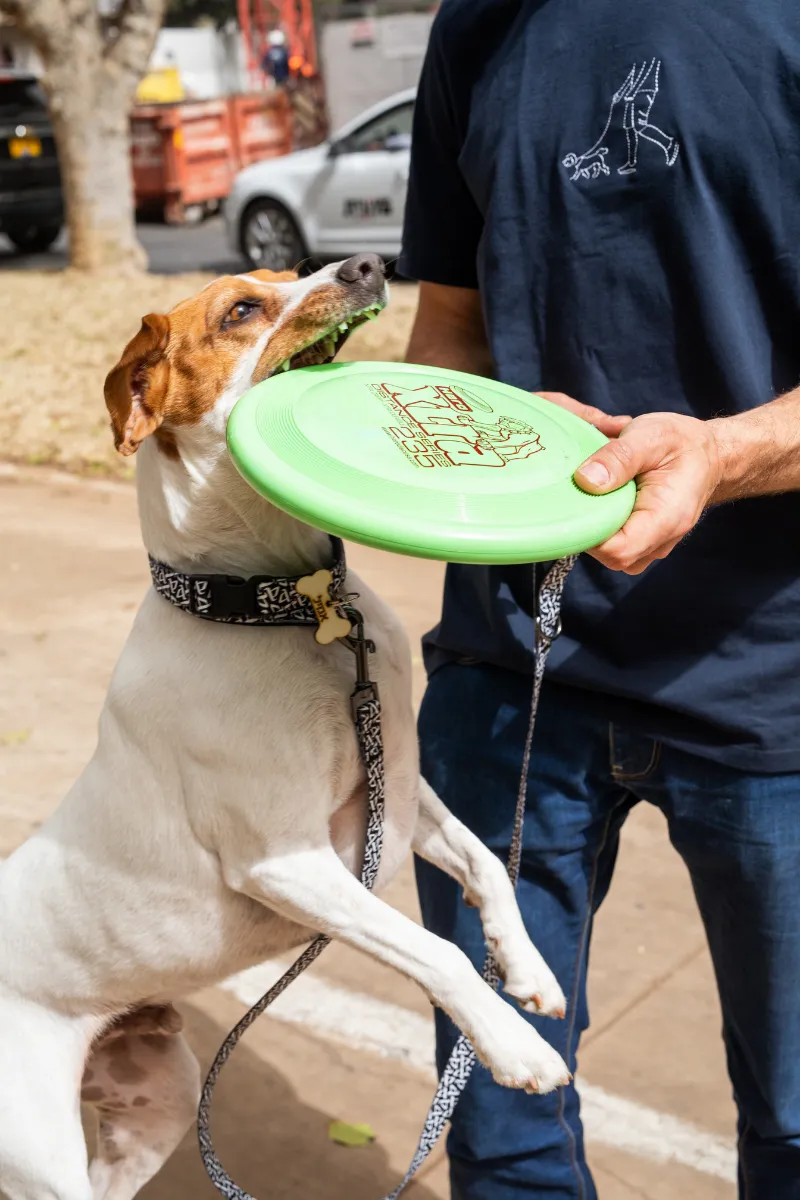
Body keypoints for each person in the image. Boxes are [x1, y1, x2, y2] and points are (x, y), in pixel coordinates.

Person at [397, 3, 800, 1198]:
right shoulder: (477, 24)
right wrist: (479, 430)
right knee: (499, 1126)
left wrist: (719, 452)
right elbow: (448, 334)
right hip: (507, 676)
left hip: (772, 684)